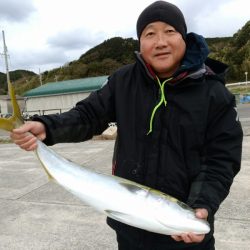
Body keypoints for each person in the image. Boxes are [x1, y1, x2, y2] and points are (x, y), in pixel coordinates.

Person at [11, 1, 243, 249]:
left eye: (170, 31)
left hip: (186, 232)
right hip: (129, 229)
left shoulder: (214, 93)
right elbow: (88, 115)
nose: (160, 41)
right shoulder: (123, 81)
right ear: (140, 43)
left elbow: (221, 160)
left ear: (184, 36)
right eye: (149, 33)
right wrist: (47, 127)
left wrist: (201, 206)